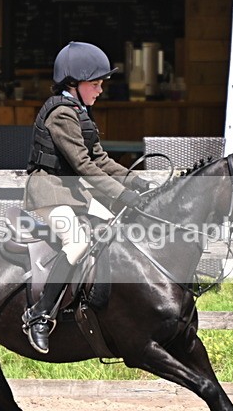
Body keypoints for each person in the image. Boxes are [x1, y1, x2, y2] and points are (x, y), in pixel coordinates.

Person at [23, 41, 153, 354]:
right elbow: (83, 166)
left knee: (115, 232)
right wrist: (123, 195)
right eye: (95, 84)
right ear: (74, 83)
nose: (100, 91)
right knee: (78, 243)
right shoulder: (61, 115)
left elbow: (100, 157)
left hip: (73, 193)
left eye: (100, 84)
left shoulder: (80, 112)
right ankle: (40, 316)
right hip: (50, 191)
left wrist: (137, 183)